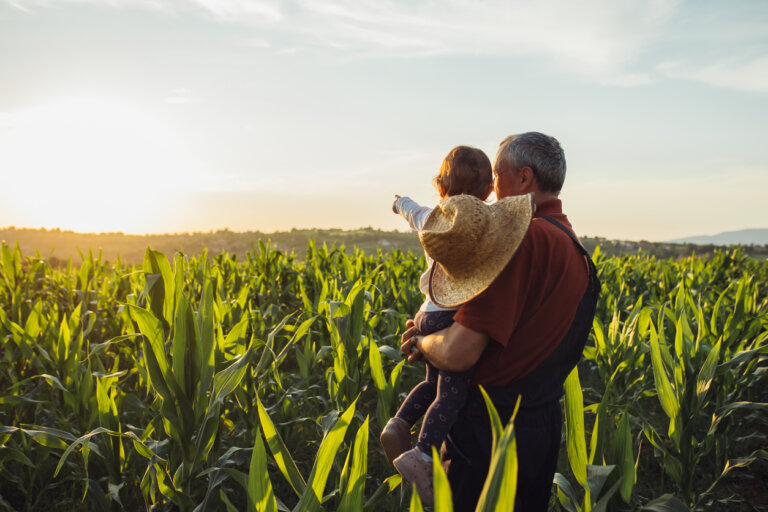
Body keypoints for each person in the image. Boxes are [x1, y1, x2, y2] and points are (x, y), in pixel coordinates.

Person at [400, 132, 601, 511]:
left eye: (497, 174)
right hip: (538, 426)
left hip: (489, 431)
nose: (491, 187)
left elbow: (459, 352)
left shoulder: (521, 241)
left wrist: (422, 343)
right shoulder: (572, 244)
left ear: (524, 179)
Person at [381, 146, 496, 505]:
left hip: (427, 312)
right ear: (490, 192)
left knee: (431, 385)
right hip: (452, 313)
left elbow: (411, 210)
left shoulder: (431, 218)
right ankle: (423, 453)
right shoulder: (483, 228)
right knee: (451, 392)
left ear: (441, 187)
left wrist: (400, 203)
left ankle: (398, 424)